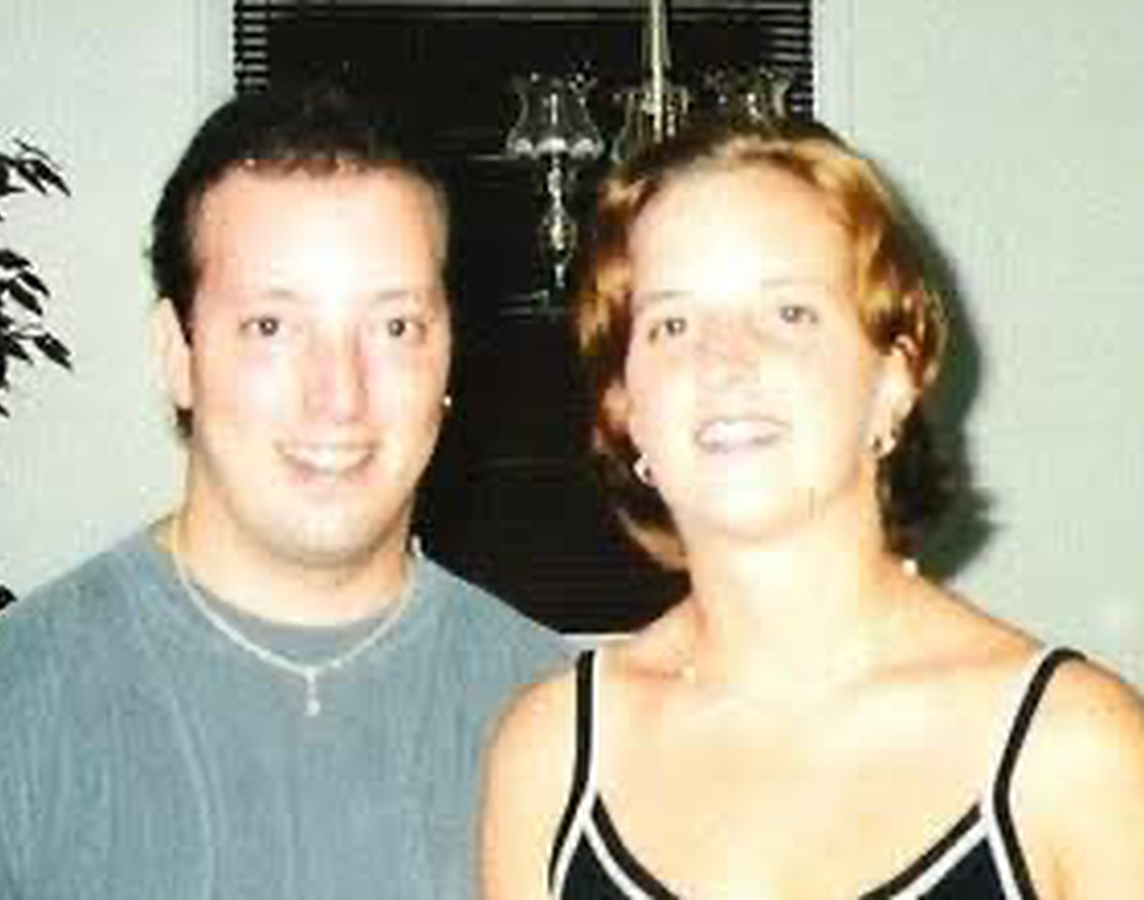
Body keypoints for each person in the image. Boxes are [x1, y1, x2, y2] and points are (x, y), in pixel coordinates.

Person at [480, 117, 1144, 899]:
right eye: (672, 324)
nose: (724, 361)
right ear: (625, 410)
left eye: (788, 312)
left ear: (893, 381)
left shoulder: (1074, 751)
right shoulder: (551, 756)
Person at [0, 84, 568, 899]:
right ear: (179, 356)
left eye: (395, 327)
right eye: (271, 327)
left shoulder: (564, 722)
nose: (338, 395)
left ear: (450, 358)